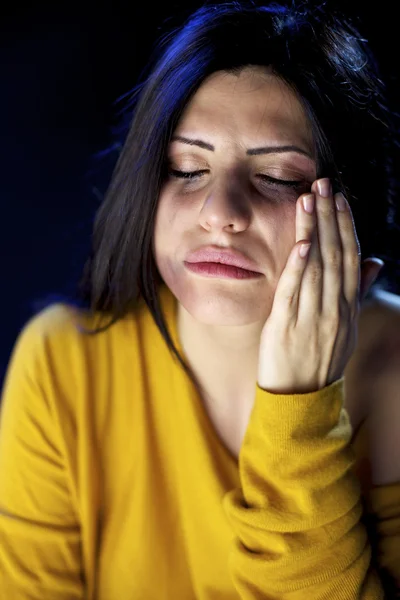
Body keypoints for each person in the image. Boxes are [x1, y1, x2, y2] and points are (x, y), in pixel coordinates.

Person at [1, 1, 399, 598]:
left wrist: (300, 415)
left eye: (279, 179)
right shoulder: (62, 365)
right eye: (187, 169)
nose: (220, 213)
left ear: (352, 212)